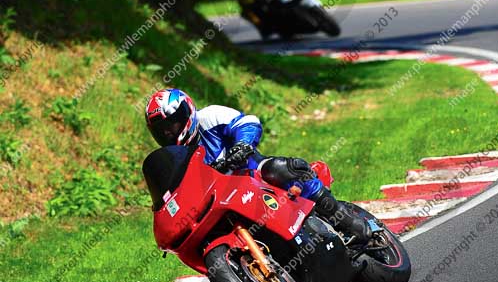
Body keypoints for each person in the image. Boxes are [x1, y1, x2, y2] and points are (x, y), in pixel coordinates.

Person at [145, 87, 371, 244]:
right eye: (162, 130)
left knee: (278, 168)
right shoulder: (176, 160)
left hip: (252, 175)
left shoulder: (210, 116)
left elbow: (247, 122)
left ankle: (345, 220)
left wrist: (242, 145)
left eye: (173, 124)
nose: (169, 132)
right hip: (222, 202)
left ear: (187, 112)